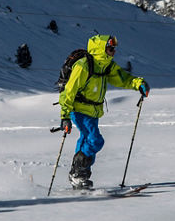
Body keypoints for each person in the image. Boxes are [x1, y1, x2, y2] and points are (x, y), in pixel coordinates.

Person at [58, 35, 149, 189]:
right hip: (79, 109)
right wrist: (65, 116)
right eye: (110, 48)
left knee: (86, 140)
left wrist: (138, 84)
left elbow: (123, 78)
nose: (113, 52)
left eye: (114, 49)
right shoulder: (83, 66)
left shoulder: (106, 66)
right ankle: (77, 172)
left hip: (93, 111)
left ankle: (80, 176)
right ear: (101, 49)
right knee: (95, 140)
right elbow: (68, 92)